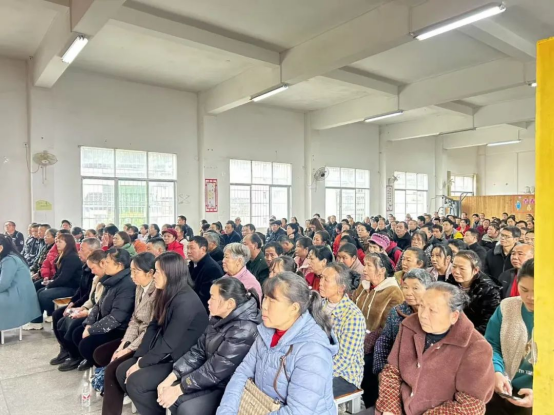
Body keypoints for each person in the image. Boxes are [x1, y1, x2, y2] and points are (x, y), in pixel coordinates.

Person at [216, 272, 338, 415]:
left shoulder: (313, 352)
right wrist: (226, 411)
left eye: (272, 301)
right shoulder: (267, 331)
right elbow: (242, 373)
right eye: (265, 298)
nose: (264, 306)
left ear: (294, 308)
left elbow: (298, 411)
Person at [376, 282, 495, 415]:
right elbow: (392, 371)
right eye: (421, 306)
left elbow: (471, 404)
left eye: (432, 310)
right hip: (400, 409)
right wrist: (390, 409)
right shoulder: (409, 325)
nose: (423, 315)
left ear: (454, 316)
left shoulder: (476, 347)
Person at [116, 252, 208, 415]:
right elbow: (153, 326)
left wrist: (141, 364)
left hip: (183, 359)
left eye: (157, 271)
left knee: (135, 382)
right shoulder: (165, 291)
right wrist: (140, 356)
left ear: (170, 274)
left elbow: (169, 343)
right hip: (167, 352)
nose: (154, 275)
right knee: (122, 370)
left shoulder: (186, 301)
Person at [156, 278, 261, 415]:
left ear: (229, 304)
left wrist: (179, 389)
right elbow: (198, 351)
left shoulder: (244, 330)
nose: (208, 301)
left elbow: (214, 370)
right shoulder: (219, 317)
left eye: (212, 298)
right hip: (210, 377)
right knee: (170, 394)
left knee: (184, 407)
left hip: (226, 384)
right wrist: (172, 377)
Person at [97, 252, 157, 415]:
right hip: (134, 336)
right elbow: (134, 320)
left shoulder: (157, 292)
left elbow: (149, 329)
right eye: (131, 271)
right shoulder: (139, 287)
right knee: (102, 353)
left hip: (147, 342)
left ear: (150, 273)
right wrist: (123, 344)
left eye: (136, 271)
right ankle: (120, 389)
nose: (132, 276)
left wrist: (128, 349)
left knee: (113, 369)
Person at [352, 253, 403, 407]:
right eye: (364, 265)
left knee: (366, 365)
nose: (364, 269)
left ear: (381, 270)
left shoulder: (393, 292)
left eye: (369, 266)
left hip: (374, 344)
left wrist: (364, 343)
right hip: (356, 337)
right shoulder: (364, 286)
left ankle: (368, 404)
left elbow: (386, 327)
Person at [485, 259, 535, 415]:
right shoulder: (507, 307)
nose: (530, 297)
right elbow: (491, 344)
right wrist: (497, 372)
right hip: (504, 386)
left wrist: (543, 394)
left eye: (537, 290)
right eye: (524, 289)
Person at [74, 248, 136, 371]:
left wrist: (91, 330)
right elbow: (98, 304)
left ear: (119, 265)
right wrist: (89, 324)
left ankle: (102, 369)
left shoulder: (127, 284)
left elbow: (116, 318)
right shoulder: (111, 278)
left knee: (87, 345)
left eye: (107, 262)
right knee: (77, 333)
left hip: (119, 329)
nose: (104, 265)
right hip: (106, 321)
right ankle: (87, 361)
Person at [49, 237, 101, 364]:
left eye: (82, 249)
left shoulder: (96, 270)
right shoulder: (85, 266)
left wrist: (78, 307)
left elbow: (90, 295)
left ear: (92, 251)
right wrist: (71, 303)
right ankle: (64, 349)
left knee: (71, 322)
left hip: (90, 305)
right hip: (83, 303)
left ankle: (75, 354)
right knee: (57, 314)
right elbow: (80, 289)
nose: (79, 252)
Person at [373, 268, 434, 375]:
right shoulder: (397, 311)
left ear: (428, 290)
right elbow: (384, 340)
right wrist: (381, 369)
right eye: (405, 287)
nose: (408, 293)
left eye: (415, 288)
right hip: (396, 367)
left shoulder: (436, 315)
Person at [56, 250, 107, 371]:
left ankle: (77, 356)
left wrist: (86, 312)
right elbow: (91, 298)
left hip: (99, 314)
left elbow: (102, 305)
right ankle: (66, 350)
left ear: (102, 264)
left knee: (74, 326)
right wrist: (82, 307)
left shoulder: (108, 281)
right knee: (60, 318)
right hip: (91, 309)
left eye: (93, 268)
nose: (92, 271)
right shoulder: (96, 277)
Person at [320, 263, 365, 397]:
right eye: (321, 277)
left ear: (341, 288)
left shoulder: (353, 316)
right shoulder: (320, 305)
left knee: (308, 390)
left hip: (344, 375)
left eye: (326, 280)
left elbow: (343, 360)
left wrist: (316, 372)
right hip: (319, 363)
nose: (321, 283)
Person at [25, 233, 83, 330]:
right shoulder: (63, 255)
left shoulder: (72, 257)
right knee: (39, 291)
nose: (57, 244)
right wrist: (49, 281)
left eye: (60, 242)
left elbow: (64, 278)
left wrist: (50, 285)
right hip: (65, 285)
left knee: (43, 295)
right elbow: (58, 275)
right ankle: (36, 321)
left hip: (72, 288)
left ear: (68, 243)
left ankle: (43, 318)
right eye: (57, 241)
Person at [449, 250, 501, 334]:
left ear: (475, 270)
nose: (456, 271)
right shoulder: (450, 281)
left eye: (462, 268)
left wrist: (464, 334)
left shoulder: (489, 290)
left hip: (474, 334)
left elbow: (489, 324)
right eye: (454, 266)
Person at [0, 235, 41, 331]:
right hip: (16, 292)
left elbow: (3, 284)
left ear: (1, 248)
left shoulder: (9, 260)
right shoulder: (11, 256)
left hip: (16, 296)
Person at [187, 236, 224, 311]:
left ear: (203, 249)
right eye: (187, 248)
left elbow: (205, 298)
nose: (188, 251)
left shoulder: (212, 269)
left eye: (192, 248)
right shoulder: (193, 263)